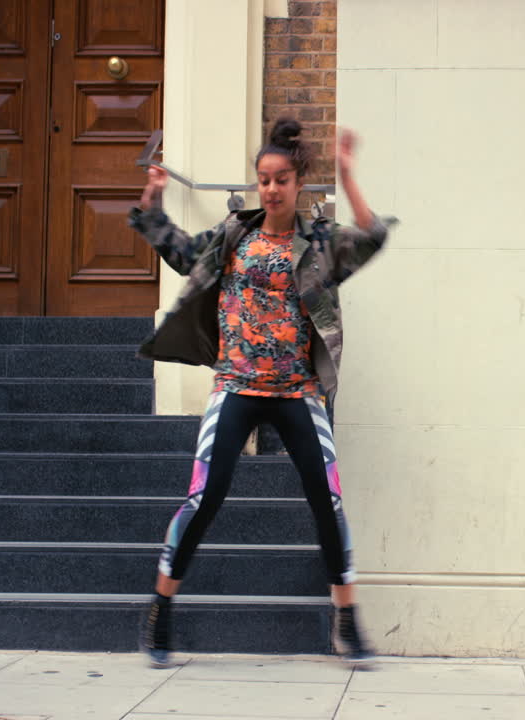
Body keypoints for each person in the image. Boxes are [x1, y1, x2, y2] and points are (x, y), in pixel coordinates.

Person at [128, 117, 390, 667]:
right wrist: (152, 202)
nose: (270, 189)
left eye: (281, 180)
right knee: (205, 496)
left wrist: (347, 174)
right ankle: (160, 608)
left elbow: (371, 238)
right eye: (263, 180)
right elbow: (177, 249)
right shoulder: (233, 237)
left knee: (329, 501)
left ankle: (347, 618)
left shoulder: (318, 244)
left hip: (297, 391)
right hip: (237, 386)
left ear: (298, 184)